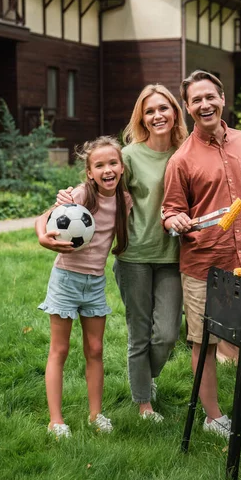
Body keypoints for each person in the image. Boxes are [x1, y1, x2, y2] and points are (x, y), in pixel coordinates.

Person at [57, 85, 187, 421]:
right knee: (139, 332)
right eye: (149, 110)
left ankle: (147, 378)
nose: (157, 115)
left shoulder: (185, 152)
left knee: (167, 334)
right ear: (141, 118)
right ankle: (143, 402)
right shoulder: (128, 155)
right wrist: (70, 196)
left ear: (174, 112)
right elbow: (100, 182)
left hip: (173, 255)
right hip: (133, 257)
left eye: (163, 108)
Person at [162, 70, 241, 439]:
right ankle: (214, 418)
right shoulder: (181, 159)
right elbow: (170, 210)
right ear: (188, 108)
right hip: (204, 264)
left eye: (209, 96)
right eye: (196, 100)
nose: (204, 104)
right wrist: (176, 219)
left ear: (222, 99)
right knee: (204, 340)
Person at [35, 136, 132, 438]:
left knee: (95, 349)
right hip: (66, 280)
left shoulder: (123, 201)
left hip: (95, 283)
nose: (107, 170)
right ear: (90, 172)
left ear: (122, 167)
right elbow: (44, 218)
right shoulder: (78, 196)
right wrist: (43, 236)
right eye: (99, 165)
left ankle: (95, 414)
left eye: (112, 163)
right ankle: (56, 420)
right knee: (59, 349)